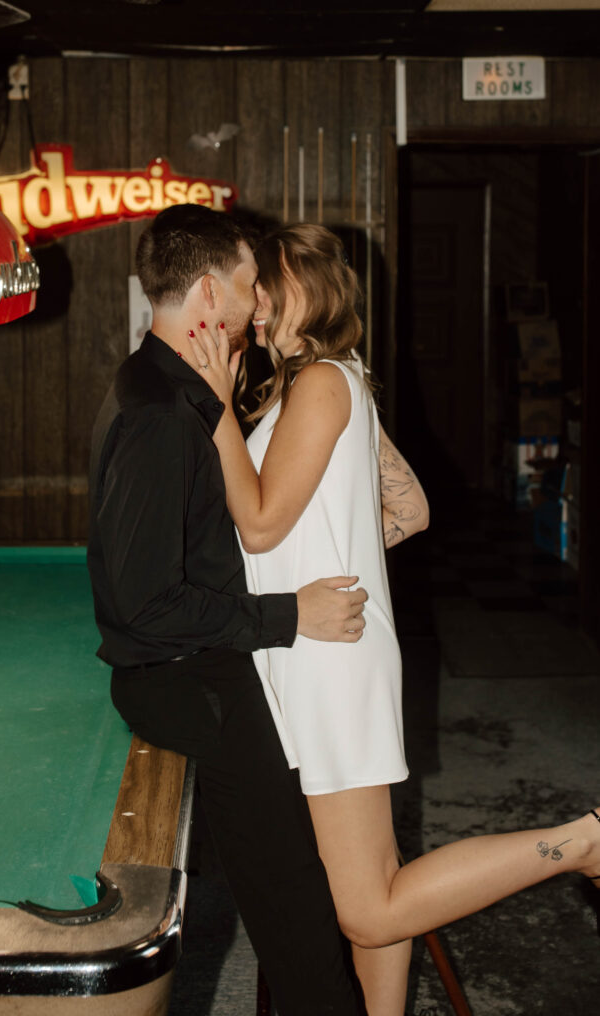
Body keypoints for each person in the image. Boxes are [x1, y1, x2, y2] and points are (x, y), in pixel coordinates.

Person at [186, 221, 600, 1016]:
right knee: (373, 881)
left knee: (365, 906)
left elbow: (263, 524)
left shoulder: (319, 385)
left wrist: (213, 409)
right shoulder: (336, 380)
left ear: (311, 286)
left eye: (269, 288)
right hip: (325, 647)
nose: (258, 308)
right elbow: (407, 510)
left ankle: (578, 842)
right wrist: (322, 554)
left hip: (327, 666)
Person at [87, 204, 370, 1016]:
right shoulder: (156, 413)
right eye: (251, 286)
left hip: (199, 666)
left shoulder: (167, 386)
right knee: (296, 910)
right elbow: (146, 606)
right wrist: (288, 617)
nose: (260, 304)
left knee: (292, 896)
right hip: (189, 678)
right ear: (211, 289)